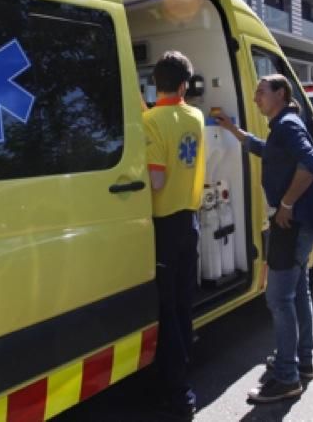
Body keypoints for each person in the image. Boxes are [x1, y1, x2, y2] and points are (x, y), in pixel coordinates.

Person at [214, 75, 313, 404]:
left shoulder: (288, 125)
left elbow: (310, 166)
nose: (255, 97)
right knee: (297, 291)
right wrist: (234, 131)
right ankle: (302, 362)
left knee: (279, 298)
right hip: (299, 222)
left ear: (280, 93)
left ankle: (287, 377)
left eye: (261, 92)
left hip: (292, 223)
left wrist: (286, 204)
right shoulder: (282, 126)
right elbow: (266, 151)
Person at [143, 51, 206, 418]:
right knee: (183, 303)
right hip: (190, 221)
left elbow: (156, 179)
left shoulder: (150, 120)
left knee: (165, 308)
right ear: (185, 85)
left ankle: (178, 390)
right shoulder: (195, 116)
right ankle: (184, 368)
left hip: (163, 223)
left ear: (155, 83)